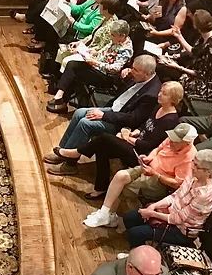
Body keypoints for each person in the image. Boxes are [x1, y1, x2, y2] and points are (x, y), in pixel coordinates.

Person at [72, 86, 190, 214]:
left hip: (141, 155)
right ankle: (100, 187)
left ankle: (76, 153)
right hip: (135, 144)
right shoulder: (158, 107)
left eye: (164, 93)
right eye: (160, 91)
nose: (159, 94)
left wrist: (128, 138)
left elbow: (150, 146)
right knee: (103, 147)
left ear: (173, 99)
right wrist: (133, 132)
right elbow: (144, 126)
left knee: (105, 139)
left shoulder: (170, 121)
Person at [46, 54, 162, 175]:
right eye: (132, 68)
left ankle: (70, 164)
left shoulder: (151, 94)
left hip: (121, 124)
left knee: (85, 123)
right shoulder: (140, 76)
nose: (132, 72)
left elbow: (133, 119)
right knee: (79, 112)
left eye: (135, 70)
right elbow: (121, 92)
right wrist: (124, 74)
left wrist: (103, 116)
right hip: (115, 108)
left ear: (147, 74)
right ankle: (63, 150)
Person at [121, 149, 212, 248]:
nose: (192, 167)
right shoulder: (193, 176)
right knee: (129, 218)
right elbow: (174, 196)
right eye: (193, 163)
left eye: (196, 166)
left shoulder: (204, 195)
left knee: (135, 233)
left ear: (209, 172)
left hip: (181, 230)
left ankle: (140, 255)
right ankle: (138, 247)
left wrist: (152, 213)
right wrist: (154, 206)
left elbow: (179, 219)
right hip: (170, 213)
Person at [46, 17, 132, 113]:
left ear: (122, 35)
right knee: (73, 67)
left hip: (106, 76)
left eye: (113, 35)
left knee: (74, 68)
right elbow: (104, 51)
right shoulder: (117, 40)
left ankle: (60, 98)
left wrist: (95, 63)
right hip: (96, 66)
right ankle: (61, 98)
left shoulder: (126, 49)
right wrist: (91, 51)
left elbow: (115, 68)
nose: (111, 37)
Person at [28, 0, 107, 56]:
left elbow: (90, 28)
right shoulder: (93, 0)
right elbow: (80, 8)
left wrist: (74, 23)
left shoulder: (101, 11)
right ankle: (46, 52)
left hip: (78, 29)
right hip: (72, 16)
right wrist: (67, 4)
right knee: (47, 10)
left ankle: (48, 53)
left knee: (52, 25)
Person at [157, 9, 212, 101]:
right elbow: (194, 52)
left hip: (204, 83)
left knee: (164, 70)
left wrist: (178, 67)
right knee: (161, 64)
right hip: (194, 70)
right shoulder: (205, 37)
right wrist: (176, 55)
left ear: (197, 26)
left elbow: (201, 74)